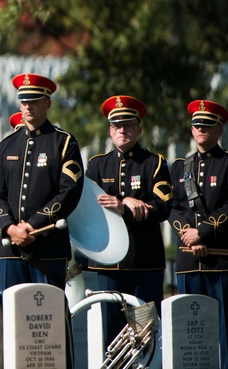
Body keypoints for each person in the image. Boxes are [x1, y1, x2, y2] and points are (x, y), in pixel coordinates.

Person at [85, 95, 171, 347]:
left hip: (144, 261)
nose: (123, 131)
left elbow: (163, 207)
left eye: (129, 125)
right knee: (110, 332)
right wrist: (128, 201)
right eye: (117, 126)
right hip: (109, 262)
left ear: (139, 129)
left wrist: (123, 205)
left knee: (145, 333)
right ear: (110, 130)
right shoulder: (97, 165)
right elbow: (90, 209)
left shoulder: (153, 163)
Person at [0, 73, 84, 292]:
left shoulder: (64, 142)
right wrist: (10, 228)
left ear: (47, 103)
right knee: (11, 318)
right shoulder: (7, 145)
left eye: (34, 101)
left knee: (48, 319)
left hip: (48, 248)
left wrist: (33, 225)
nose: (28, 106)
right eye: (24, 101)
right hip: (11, 249)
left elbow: (69, 191)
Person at [169, 99, 228, 369]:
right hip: (188, 261)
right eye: (196, 124)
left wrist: (202, 233)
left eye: (207, 124)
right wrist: (187, 236)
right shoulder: (180, 167)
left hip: (220, 261)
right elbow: (173, 207)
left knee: (223, 333)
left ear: (220, 130)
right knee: (188, 335)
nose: (200, 128)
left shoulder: (226, 164)